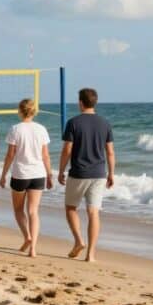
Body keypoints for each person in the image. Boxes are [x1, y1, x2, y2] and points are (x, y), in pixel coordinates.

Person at [58, 88, 115, 263]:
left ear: (81, 102)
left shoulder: (73, 122)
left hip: (79, 173)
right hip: (99, 174)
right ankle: (91, 254)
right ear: (94, 102)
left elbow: (67, 149)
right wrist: (111, 174)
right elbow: (110, 152)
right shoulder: (105, 123)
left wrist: (60, 170)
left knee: (70, 208)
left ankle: (79, 241)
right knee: (93, 213)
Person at [0, 99, 52, 258]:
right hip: (38, 173)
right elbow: (45, 155)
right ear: (34, 111)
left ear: (20, 111)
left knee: (18, 209)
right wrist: (49, 175)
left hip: (20, 174)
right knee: (33, 211)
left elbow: (10, 155)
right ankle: (33, 249)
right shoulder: (41, 129)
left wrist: (3, 175)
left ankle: (27, 236)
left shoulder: (15, 129)